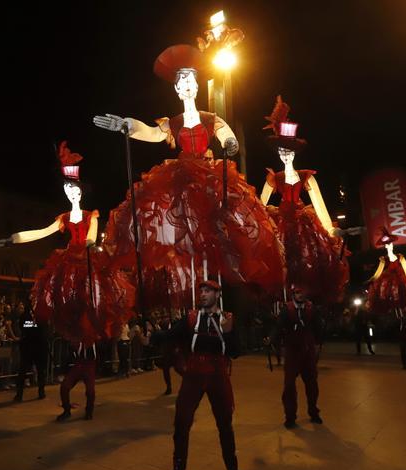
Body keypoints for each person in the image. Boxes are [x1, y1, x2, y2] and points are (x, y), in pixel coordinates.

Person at [95, 44, 284, 307]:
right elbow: (150, 132)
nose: (186, 84)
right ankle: (196, 298)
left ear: (197, 85)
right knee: (183, 234)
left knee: (221, 226)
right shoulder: (172, 122)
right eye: (182, 79)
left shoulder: (210, 118)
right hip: (181, 179)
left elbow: (228, 137)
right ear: (175, 87)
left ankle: (219, 295)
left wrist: (230, 144)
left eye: (191, 79)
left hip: (210, 177)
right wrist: (127, 125)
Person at [0, 142, 135, 403]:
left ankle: (90, 346)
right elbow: (41, 232)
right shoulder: (63, 218)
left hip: (87, 259)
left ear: (81, 191)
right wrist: (11, 239)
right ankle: (76, 348)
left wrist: (91, 246)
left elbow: (91, 236)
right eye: (67, 189)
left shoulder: (92, 214)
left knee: (96, 298)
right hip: (69, 262)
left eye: (74, 188)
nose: (71, 192)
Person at [259, 96, 349, 304]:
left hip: (303, 223)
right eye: (282, 151)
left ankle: (303, 302)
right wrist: (261, 232)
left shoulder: (306, 176)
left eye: (289, 150)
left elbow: (318, 202)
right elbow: (261, 205)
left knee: (307, 259)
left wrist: (328, 229)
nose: (286, 155)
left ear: (294, 152)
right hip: (281, 220)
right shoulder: (275, 178)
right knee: (283, 261)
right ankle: (287, 303)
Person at [158, 280, 244, 470]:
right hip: (194, 375)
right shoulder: (190, 318)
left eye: (208, 291)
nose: (203, 294)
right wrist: (150, 336)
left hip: (218, 375)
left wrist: (228, 332)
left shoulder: (228, 319)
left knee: (225, 424)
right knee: (181, 424)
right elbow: (171, 335)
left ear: (217, 294)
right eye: (201, 291)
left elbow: (235, 352)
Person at [270, 287, 323, 429]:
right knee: (289, 386)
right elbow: (279, 326)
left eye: (303, 292)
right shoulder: (286, 309)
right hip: (292, 351)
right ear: (293, 294)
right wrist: (272, 339)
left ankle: (313, 412)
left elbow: (319, 328)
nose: (301, 295)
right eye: (298, 293)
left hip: (308, 351)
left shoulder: (312, 308)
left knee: (312, 384)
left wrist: (318, 345)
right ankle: (290, 417)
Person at [366, 227, 406, 315]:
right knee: (390, 296)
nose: (389, 245)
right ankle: (397, 315)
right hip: (388, 280)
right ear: (385, 246)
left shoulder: (400, 256)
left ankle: (405, 315)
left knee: (404, 294)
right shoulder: (383, 259)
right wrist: (371, 279)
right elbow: (378, 271)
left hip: (401, 279)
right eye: (387, 244)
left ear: (392, 244)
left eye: (390, 243)